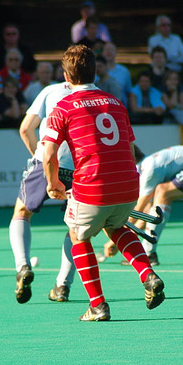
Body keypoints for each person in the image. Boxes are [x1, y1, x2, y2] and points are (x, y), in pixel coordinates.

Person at [42, 45, 165, 321]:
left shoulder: (63, 106)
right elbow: (132, 147)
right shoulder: (115, 102)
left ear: (66, 76)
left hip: (93, 184)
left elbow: (49, 154)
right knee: (115, 225)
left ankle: (97, 305)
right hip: (128, 184)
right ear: (94, 72)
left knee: (78, 235)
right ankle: (148, 275)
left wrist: (53, 185)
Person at [11, 81, 76, 304]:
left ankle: (23, 266)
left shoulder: (50, 90)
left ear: (67, 72)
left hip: (46, 159)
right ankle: (62, 286)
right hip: (80, 167)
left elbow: (25, 128)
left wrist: (40, 158)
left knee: (22, 212)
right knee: (76, 228)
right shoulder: (100, 95)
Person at [161, 70, 183, 144]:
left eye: (175, 79)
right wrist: (174, 92)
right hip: (167, 120)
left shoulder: (180, 89)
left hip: (179, 120)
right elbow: (170, 106)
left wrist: (175, 92)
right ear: (165, 81)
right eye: (170, 79)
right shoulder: (161, 90)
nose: (173, 82)